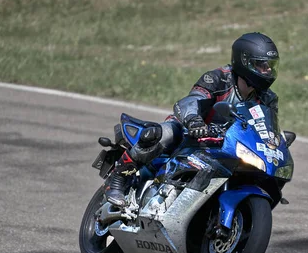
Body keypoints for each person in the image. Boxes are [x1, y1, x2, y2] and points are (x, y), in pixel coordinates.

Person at [105, 32, 280, 207]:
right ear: (244, 62)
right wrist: (195, 121)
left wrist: (276, 141)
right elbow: (192, 100)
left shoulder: (267, 98)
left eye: (271, 65)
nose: (268, 70)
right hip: (191, 130)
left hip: (229, 143)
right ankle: (117, 180)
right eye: (262, 65)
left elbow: (268, 126)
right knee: (164, 134)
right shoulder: (218, 78)